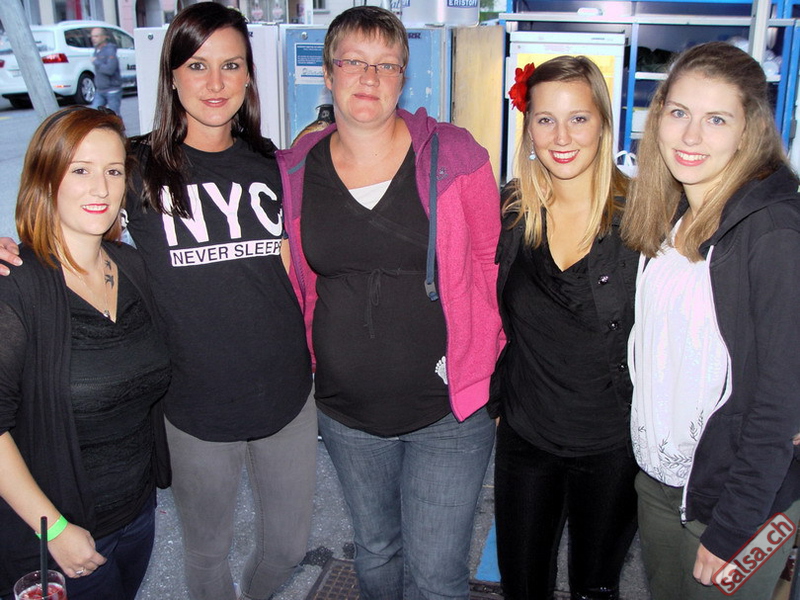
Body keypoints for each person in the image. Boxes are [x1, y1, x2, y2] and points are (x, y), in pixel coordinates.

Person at [0, 4, 316, 600]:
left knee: (287, 549)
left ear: (250, 75)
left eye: (231, 65)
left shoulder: (275, 165)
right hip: (192, 406)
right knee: (207, 555)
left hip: (288, 393)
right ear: (171, 75)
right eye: (197, 65)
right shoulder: (134, 165)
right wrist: (10, 247)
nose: (215, 82)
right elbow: (68, 210)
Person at [277, 6, 503, 600]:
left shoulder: (455, 155)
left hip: (448, 412)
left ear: (404, 77)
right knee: (376, 552)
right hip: (346, 411)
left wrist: (490, 366)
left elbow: (491, 265)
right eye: (354, 61)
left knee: (436, 576)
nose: (369, 77)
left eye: (387, 65)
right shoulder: (294, 171)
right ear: (329, 73)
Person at [621, 41, 800, 599]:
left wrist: (734, 527)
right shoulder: (673, 212)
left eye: (716, 119)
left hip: (739, 500)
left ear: (749, 132)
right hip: (662, 482)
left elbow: (780, 402)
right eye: (679, 112)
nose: (691, 136)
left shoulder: (773, 232)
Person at [0, 106, 171, 600]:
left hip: (137, 516)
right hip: (55, 538)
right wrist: (53, 530)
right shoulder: (16, 285)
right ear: (45, 179)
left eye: (113, 171)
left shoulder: (132, 267)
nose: (101, 188)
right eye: (80, 170)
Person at [490, 56, 639, 600]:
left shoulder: (643, 218)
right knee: (522, 586)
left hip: (612, 446)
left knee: (593, 589)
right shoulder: (513, 210)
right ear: (528, 128)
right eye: (545, 119)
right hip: (526, 435)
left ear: (603, 123)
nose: (561, 136)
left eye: (578, 118)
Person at [89, 28, 122, 115]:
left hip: (112, 90)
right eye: (92, 36)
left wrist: (96, 62)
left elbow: (110, 69)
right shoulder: (97, 50)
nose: (93, 39)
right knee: (93, 114)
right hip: (100, 90)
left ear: (104, 37)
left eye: (96, 36)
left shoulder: (110, 50)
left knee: (114, 116)